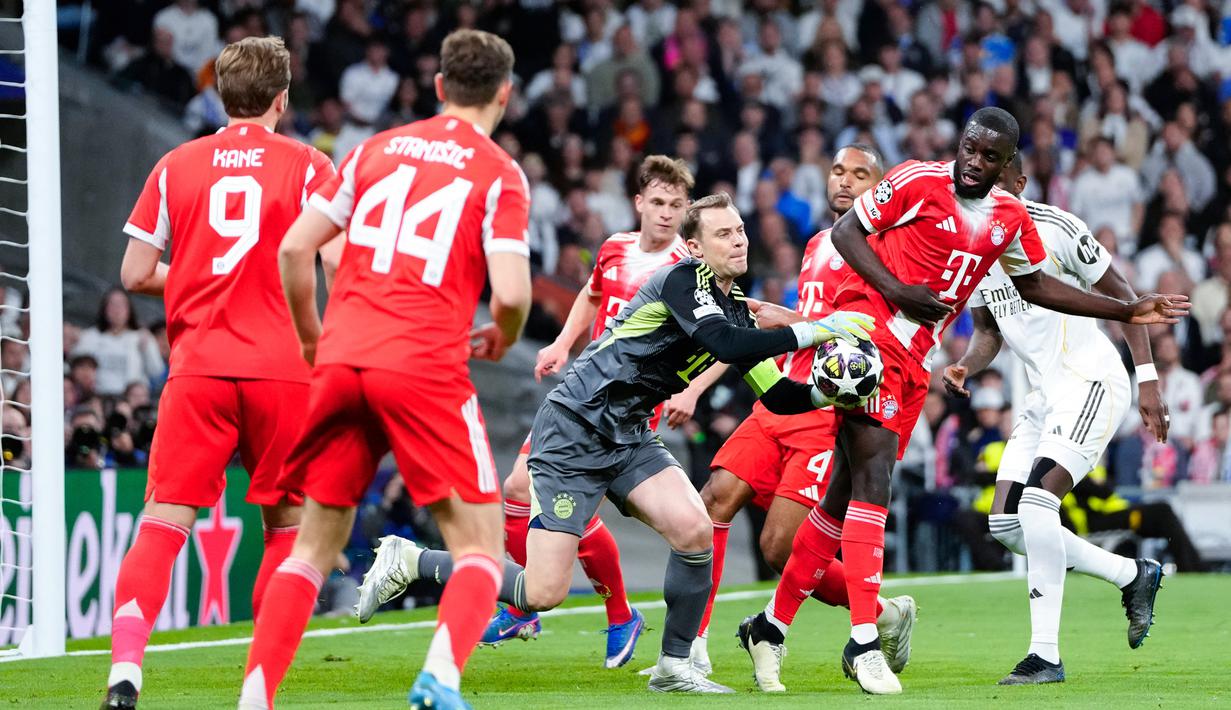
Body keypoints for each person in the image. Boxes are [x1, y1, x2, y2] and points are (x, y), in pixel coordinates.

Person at [741, 107, 1188, 695]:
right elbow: (850, 231)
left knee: (846, 495)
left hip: (961, 367)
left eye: (990, 158)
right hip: (869, 344)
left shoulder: (1015, 220)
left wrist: (1126, 313)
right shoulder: (918, 180)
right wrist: (903, 294)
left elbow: (1036, 285)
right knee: (886, 485)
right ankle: (865, 641)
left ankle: (771, 627)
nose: (976, 164)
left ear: (1010, 167)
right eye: (970, 150)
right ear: (961, 144)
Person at [356, 192, 876, 694]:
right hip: (575, 429)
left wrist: (827, 392)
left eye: (739, 230)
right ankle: (413, 560)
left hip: (629, 435)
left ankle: (673, 666)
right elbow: (723, 343)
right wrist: (816, 330)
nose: (738, 240)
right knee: (542, 592)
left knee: (695, 528)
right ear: (696, 247)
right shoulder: (680, 280)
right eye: (723, 233)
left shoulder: (735, 310)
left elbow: (779, 395)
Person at [237, 30, 532, 710]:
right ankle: (439, 677)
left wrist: (314, 339)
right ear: (504, 95)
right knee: (480, 548)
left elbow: (295, 249)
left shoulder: (375, 149)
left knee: (311, 547)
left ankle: (256, 697)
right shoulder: (498, 172)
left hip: (343, 358)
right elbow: (513, 294)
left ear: (436, 87)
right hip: (423, 364)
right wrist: (501, 335)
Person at [101, 36, 337, 710]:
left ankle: (124, 672)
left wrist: (206, 277)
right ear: (283, 99)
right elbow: (335, 265)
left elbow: (133, 274)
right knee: (288, 529)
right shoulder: (310, 166)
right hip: (283, 371)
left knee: (162, 522)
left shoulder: (176, 164)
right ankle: (256, 693)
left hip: (198, 369)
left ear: (220, 94)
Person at [455, 156, 719, 669]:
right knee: (517, 489)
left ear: (688, 210)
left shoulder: (686, 271)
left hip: (624, 410)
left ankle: (597, 611)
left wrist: (692, 392)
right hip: (582, 397)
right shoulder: (616, 248)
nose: (666, 214)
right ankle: (576, 610)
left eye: (677, 205)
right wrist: (561, 342)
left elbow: (723, 338)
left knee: (547, 498)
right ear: (639, 203)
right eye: (658, 202)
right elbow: (592, 292)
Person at [692, 145, 915, 690]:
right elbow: (818, 322)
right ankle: (692, 646)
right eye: (839, 170)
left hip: (825, 408)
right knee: (714, 498)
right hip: (782, 394)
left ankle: (885, 614)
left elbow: (866, 332)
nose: (845, 181)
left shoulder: (887, 251)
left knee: (779, 549)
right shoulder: (819, 242)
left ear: (882, 189)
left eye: (861, 175)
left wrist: (788, 319)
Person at [943, 153, 1170, 685]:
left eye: (996, 181)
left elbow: (1128, 300)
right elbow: (988, 332)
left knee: (1039, 502)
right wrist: (965, 364)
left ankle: (1044, 655)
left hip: (1090, 381)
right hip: (1044, 396)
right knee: (1005, 523)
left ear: (1019, 182)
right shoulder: (977, 246)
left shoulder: (1057, 228)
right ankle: (1131, 573)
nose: (985, 193)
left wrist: (1149, 378)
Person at [73, 288, 164, 397]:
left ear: (129, 309)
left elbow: (157, 372)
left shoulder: (141, 337)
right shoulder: (90, 337)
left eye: (121, 305)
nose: (117, 310)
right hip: (98, 398)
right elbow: (75, 368)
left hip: (131, 401)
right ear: (104, 309)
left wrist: (147, 350)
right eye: (112, 305)